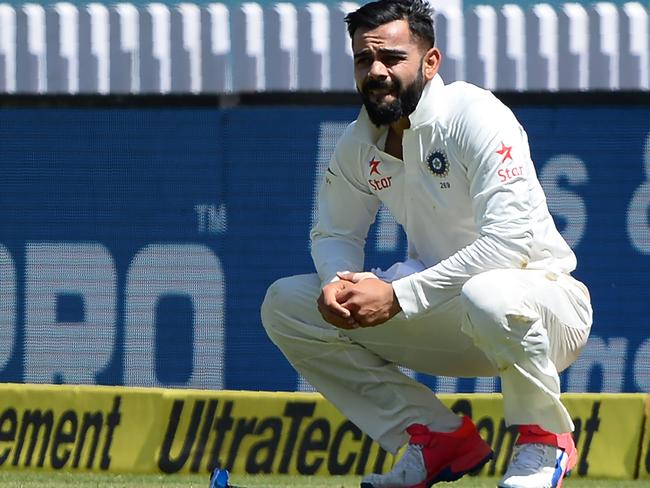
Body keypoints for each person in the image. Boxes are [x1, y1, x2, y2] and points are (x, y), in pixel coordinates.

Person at [261, 0, 593, 486]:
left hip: (546, 309)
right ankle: (434, 439)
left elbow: (506, 244)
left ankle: (545, 441)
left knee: (491, 293)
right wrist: (338, 283)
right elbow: (334, 233)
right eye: (363, 60)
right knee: (286, 304)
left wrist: (396, 295)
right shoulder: (359, 142)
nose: (376, 72)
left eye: (392, 58)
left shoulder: (476, 116)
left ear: (430, 62)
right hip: (450, 316)